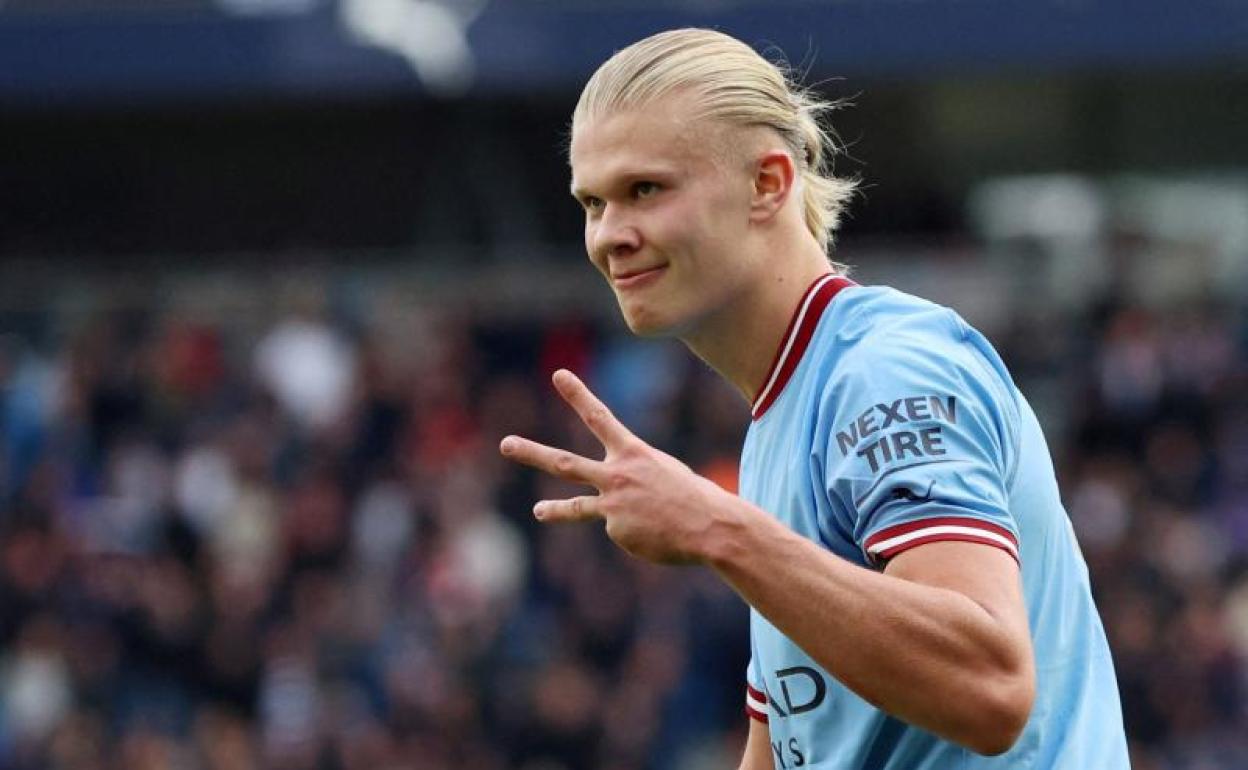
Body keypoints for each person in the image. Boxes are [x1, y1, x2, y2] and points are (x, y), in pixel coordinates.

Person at [499, 28, 1129, 769]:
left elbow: (990, 688)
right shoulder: (784, 417)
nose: (610, 235)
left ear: (769, 183)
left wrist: (716, 528)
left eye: (645, 190)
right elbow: (788, 748)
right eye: (592, 202)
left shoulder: (885, 371)